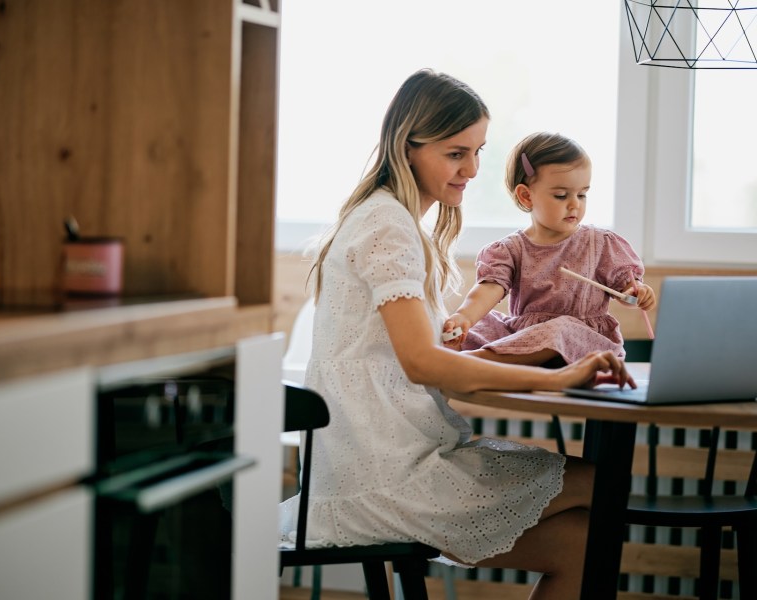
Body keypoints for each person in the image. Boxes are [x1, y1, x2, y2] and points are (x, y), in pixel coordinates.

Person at [278, 69, 633, 599]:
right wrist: (561, 382)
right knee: (604, 486)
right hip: (384, 477)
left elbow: (430, 362)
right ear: (408, 146)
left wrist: (520, 351)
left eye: (478, 151)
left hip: (390, 460)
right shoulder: (386, 225)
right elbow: (424, 365)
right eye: (455, 153)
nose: (471, 169)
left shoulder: (392, 221)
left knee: (581, 542)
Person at [443, 132, 656, 365]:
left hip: (583, 343)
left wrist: (636, 293)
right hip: (525, 337)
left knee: (561, 329)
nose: (575, 203)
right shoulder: (510, 250)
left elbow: (625, 290)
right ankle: (487, 358)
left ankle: (479, 361)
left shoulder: (600, 243)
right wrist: (464, 317)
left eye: (582, 194)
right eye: (561, 195)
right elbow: (487, 289)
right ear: (526, 196)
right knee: (484, 324)